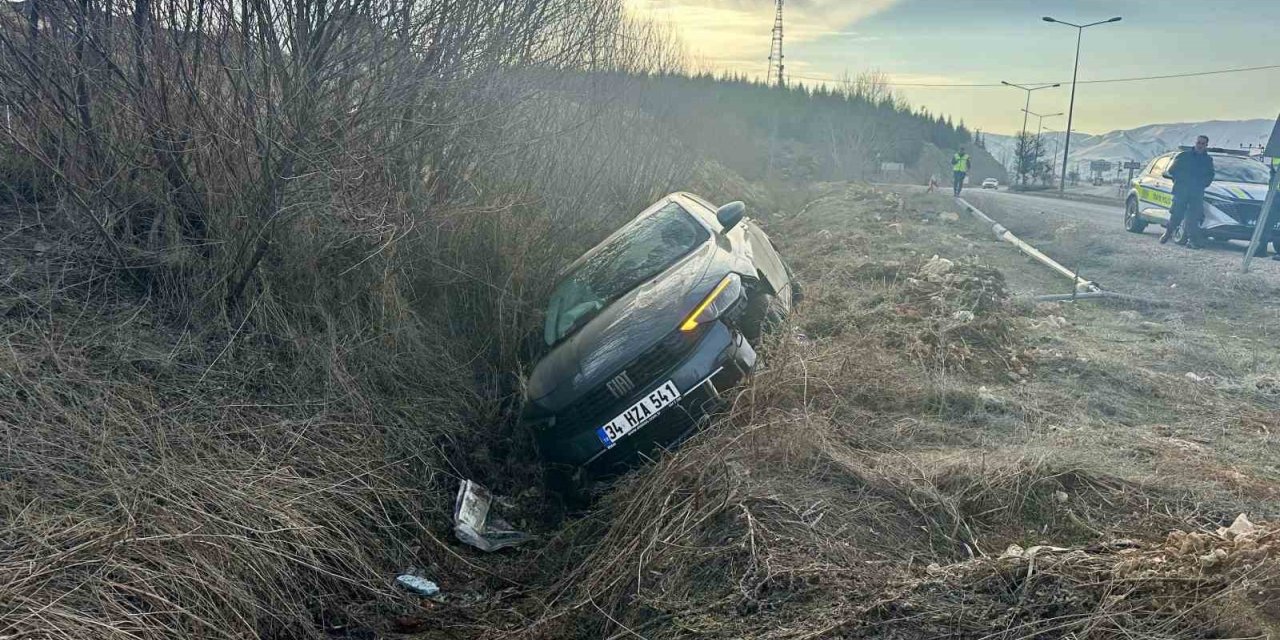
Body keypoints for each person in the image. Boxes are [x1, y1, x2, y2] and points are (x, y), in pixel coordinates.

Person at [1161, 135, 1214, 249]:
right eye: (1198, 143)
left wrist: (1203, 184)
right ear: (1195, 143)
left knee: (1193, 218)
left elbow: (1211, 175)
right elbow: (1172, 171)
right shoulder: (1184, 156)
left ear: (1206, 146)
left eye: (1203, 144)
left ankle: (1192, 240)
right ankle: (1168, 233)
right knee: (1176, 215)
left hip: (1197, 193)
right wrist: (1181, 180)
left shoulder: (1208, 160)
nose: (1200, 145)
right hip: (1181, 191)